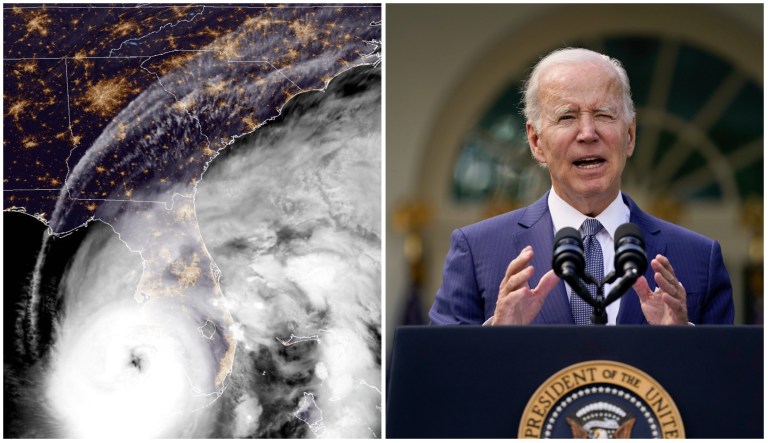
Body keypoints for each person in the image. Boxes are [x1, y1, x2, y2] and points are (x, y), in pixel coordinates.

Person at [428, 48, 734, 325]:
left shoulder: (699, 258)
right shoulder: (476, 251)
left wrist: (685, 342)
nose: (588, 133)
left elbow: (730, 381)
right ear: (536, 142)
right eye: (567, 117)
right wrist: (496, 338)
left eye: (603, 114)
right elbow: (435, 376)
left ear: (629, 135)